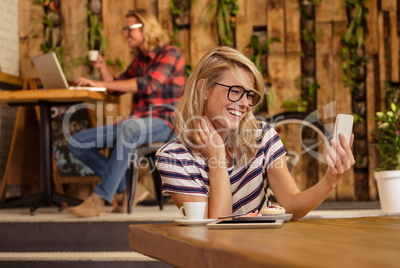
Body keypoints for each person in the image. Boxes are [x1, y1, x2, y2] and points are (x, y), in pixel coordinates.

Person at [155, 46, 355, 220]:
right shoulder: (173, 158)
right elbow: (217, 228)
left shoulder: (263, 137)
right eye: (235, 91)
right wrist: (216, 157)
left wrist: (330, 180)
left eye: (250, 94)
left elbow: (291, 205)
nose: (244, 104)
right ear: (203, 89)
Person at [67, 9, 186, 217]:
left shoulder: (171, 53)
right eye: (124, 29)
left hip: (165, 124)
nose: (125, 33)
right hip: (135, 125)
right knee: (77, 142)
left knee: (129, 127)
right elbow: (115, 87)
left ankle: (100, 198)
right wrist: (102, 68)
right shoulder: (139, 61)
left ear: (146, 28)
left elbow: (148, 84)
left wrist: (99, 82)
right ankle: (128, 188)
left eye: (129, 28)